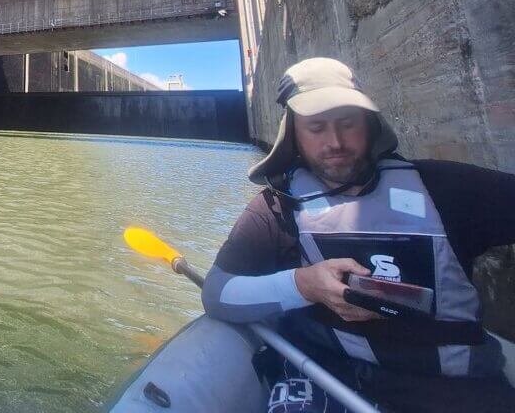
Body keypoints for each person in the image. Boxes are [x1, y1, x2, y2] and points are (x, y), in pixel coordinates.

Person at [201, 57, 515, 412]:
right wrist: (303, 285)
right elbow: (217, 293)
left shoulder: (447, 188)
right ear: (293, 135)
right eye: (316, 128)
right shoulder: (277, 209)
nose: (335, 142)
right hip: (331, 381)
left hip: (459, 392)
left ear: (369, 125)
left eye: (347, 124)